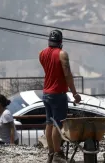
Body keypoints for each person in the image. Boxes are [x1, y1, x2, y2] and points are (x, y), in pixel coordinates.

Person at [39, 29, 81, 163]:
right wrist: (74, 93)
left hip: (46, 93)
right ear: (61, 42)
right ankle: (58, 153)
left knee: (49, 123)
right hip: (58, 94)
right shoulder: (62, 54)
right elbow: (67, 75)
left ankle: (51, 153)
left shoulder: (42, 53)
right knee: (57, 124)